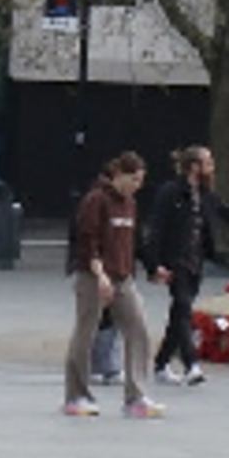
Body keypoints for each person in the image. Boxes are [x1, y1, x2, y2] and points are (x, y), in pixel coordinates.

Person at [144, 145, 229, 386]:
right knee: (183, 307)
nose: (212, 168)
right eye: (208, 163)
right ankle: (191, 363)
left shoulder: (205, 195)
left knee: (179, 313)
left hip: (195, 262)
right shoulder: (171, 192)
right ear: (194, 167)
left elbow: (228, 212)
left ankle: (161, 363)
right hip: (175, 261)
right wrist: (154, 265)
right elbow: (156, 230)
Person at [63, 151, 168, 418]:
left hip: (122, 277)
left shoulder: (130, 203)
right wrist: (100, 276)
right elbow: (87, 242)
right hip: (93, 276)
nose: (137, 185)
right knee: (86, 332)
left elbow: (134, 241)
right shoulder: (95, 200)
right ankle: (77, 395)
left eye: (140, 180)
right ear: (118, 175)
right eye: (133, 179)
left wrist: (152, 268)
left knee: (138, 329)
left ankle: (136, 396)